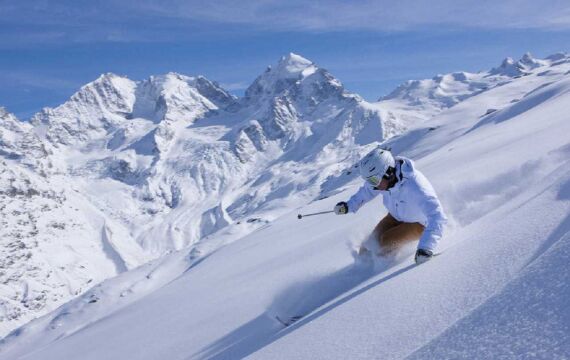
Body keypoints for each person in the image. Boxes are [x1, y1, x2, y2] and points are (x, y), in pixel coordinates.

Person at [334, 148, 447, 264]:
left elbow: (437, 216)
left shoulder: (416, 187)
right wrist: (348, 206)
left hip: (419, 223)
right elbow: (367, 191)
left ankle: (379, 273)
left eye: (374, 180)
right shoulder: (383, 182)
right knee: (368, 246)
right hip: (395, 216)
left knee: (387, 242)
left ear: (388, 172)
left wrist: (426, 248)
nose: (374, 185)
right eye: (370, 181)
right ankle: (360, 272)